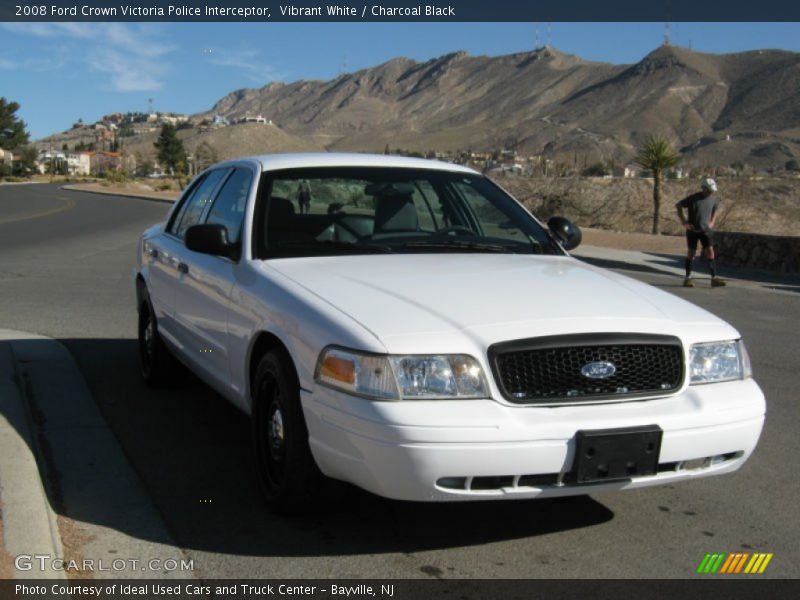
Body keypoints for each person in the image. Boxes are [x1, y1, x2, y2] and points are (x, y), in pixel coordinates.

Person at [676, 178, 726, 288]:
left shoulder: (713, 199)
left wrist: (712, 222)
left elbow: (715, 210)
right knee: (691, 253)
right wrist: (684, 222)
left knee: (710, 252)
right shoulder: (693, 198)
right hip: (693, 230)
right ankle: (688, 278)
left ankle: (714, 278)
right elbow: (679, 205)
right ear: (703, 188)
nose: (711, 192)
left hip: (706, 230)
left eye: (712, 190)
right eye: (709, 190)